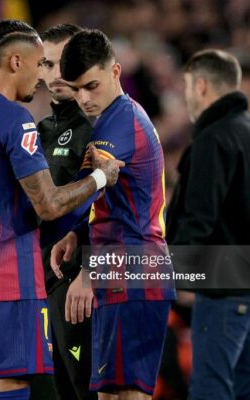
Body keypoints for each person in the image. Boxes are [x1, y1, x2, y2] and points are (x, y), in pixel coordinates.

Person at [0, 19, 123, 400]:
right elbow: (49, 203)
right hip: (8, 274)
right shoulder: (15, 120)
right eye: (41, 63)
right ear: (15, 62)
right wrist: (101, 177)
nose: (43, 76)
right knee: (12, 383)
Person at [52, 29, 176, 400]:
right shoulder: (114, 119)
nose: (84, 99)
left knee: (128, 395)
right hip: (123, 271)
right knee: (110, 394)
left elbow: (84, 194)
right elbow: (106, 202)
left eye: (91, 86)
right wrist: (77, 233)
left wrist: (88, 270)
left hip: (133, 272)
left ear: (116, 72)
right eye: (76, 90)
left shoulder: (120, 124)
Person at [166, 49, 250, 400]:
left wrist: (178, 273)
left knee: (210, 387)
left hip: (225, 287)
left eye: (188, 86)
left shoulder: (213, 139)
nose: (187, 95)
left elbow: (199, 217)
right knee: (249, 384)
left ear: (202, 86)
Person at [35, 23, 96, 400]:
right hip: (43, 278)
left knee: (86, 387)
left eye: (64, 62)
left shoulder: (99, 125)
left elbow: (111, 206)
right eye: (47, 63)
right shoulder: (38, 130)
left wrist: (89, 272)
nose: (56, 73)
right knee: (59, 388)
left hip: (77, 281)